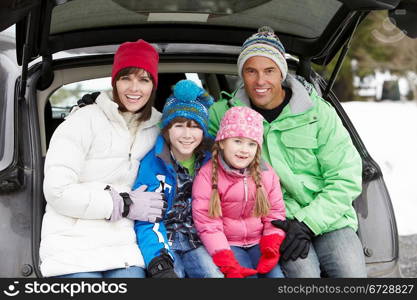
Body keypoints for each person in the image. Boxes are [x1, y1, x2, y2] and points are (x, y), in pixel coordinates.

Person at [208, 26, 367, 278]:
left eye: (269, 71)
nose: (260, 81)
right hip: (273, 224)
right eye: (251, 71)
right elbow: (187, 134)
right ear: (242, 74)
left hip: (329, 219)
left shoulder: (317, 112)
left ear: (281, 72)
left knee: (351, 274)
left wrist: (306, 223)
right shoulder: (225, 115)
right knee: (302, 276)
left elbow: (345, 177)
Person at [40, 39, 166, 278]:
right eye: (126, 78)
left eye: (143, 79)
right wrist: (123, 203)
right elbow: (57, 191)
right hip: (71, 246)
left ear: (153, 85)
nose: (134, 88)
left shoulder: (159, 128)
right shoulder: (83, 121)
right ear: (114, 81)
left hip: (124, 247)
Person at [133, 79, 223, 278]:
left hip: (198, 239)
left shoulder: (211, 162)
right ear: (166, 130)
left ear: (203, 131)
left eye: (194, 127)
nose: (187, 134)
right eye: (179, 126)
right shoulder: (153, 164)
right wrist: (158, 258)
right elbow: (147, 220)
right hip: (165, 240)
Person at [192, 106, 286, 278]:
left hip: (260, 242)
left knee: (276, 276)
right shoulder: (208, 176)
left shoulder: (266, 173)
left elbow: (275, 212)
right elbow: (208, 224)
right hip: (229, 245)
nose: (244, 150)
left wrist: (271, 243)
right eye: (237, 141)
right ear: (221, 142)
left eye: (251, 144)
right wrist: (225, 259)